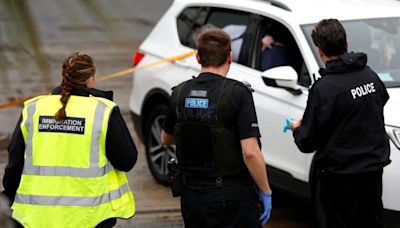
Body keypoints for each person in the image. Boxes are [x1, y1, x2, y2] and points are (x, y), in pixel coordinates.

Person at [1, 53, 137, 228]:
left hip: (36, 217)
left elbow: (15, 162)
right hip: (91, 218)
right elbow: (127, 160)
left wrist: (9, 195)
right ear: (91, 79)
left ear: (63, 77)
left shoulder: (34, 109)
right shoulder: (102, 111)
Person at [161, 28, 272, 228]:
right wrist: (265, 191)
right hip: (231, 197)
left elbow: (166, 139)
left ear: (197, 57)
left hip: (192, 197)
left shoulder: (179, 93)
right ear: (230, 57)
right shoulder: (238, 93)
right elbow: (250, 151)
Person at [289, 19, 390, 228]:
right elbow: (380, 103)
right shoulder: (370, 76)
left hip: (338, 177)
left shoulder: (324, 88)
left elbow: (307, 141)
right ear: (346, 43)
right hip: (372, 172)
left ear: (320, 51)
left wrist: (297, 129)